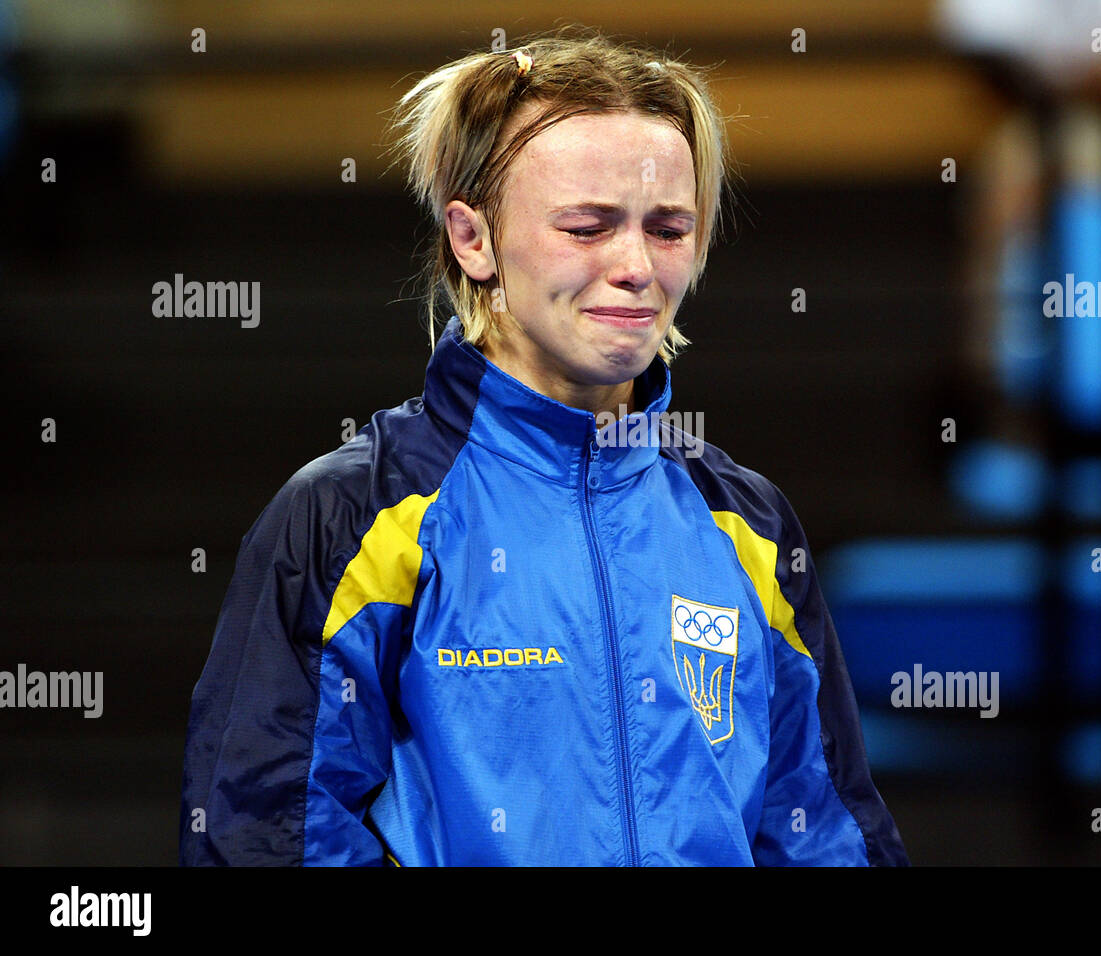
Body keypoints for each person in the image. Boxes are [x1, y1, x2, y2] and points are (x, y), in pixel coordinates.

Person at [179, 27, 908, 866]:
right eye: (588, 226)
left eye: (668, 227)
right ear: (473, 239)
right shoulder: (352, 520)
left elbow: (825, 833)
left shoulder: (749, 526)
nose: (636, 265)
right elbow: (265, 836)